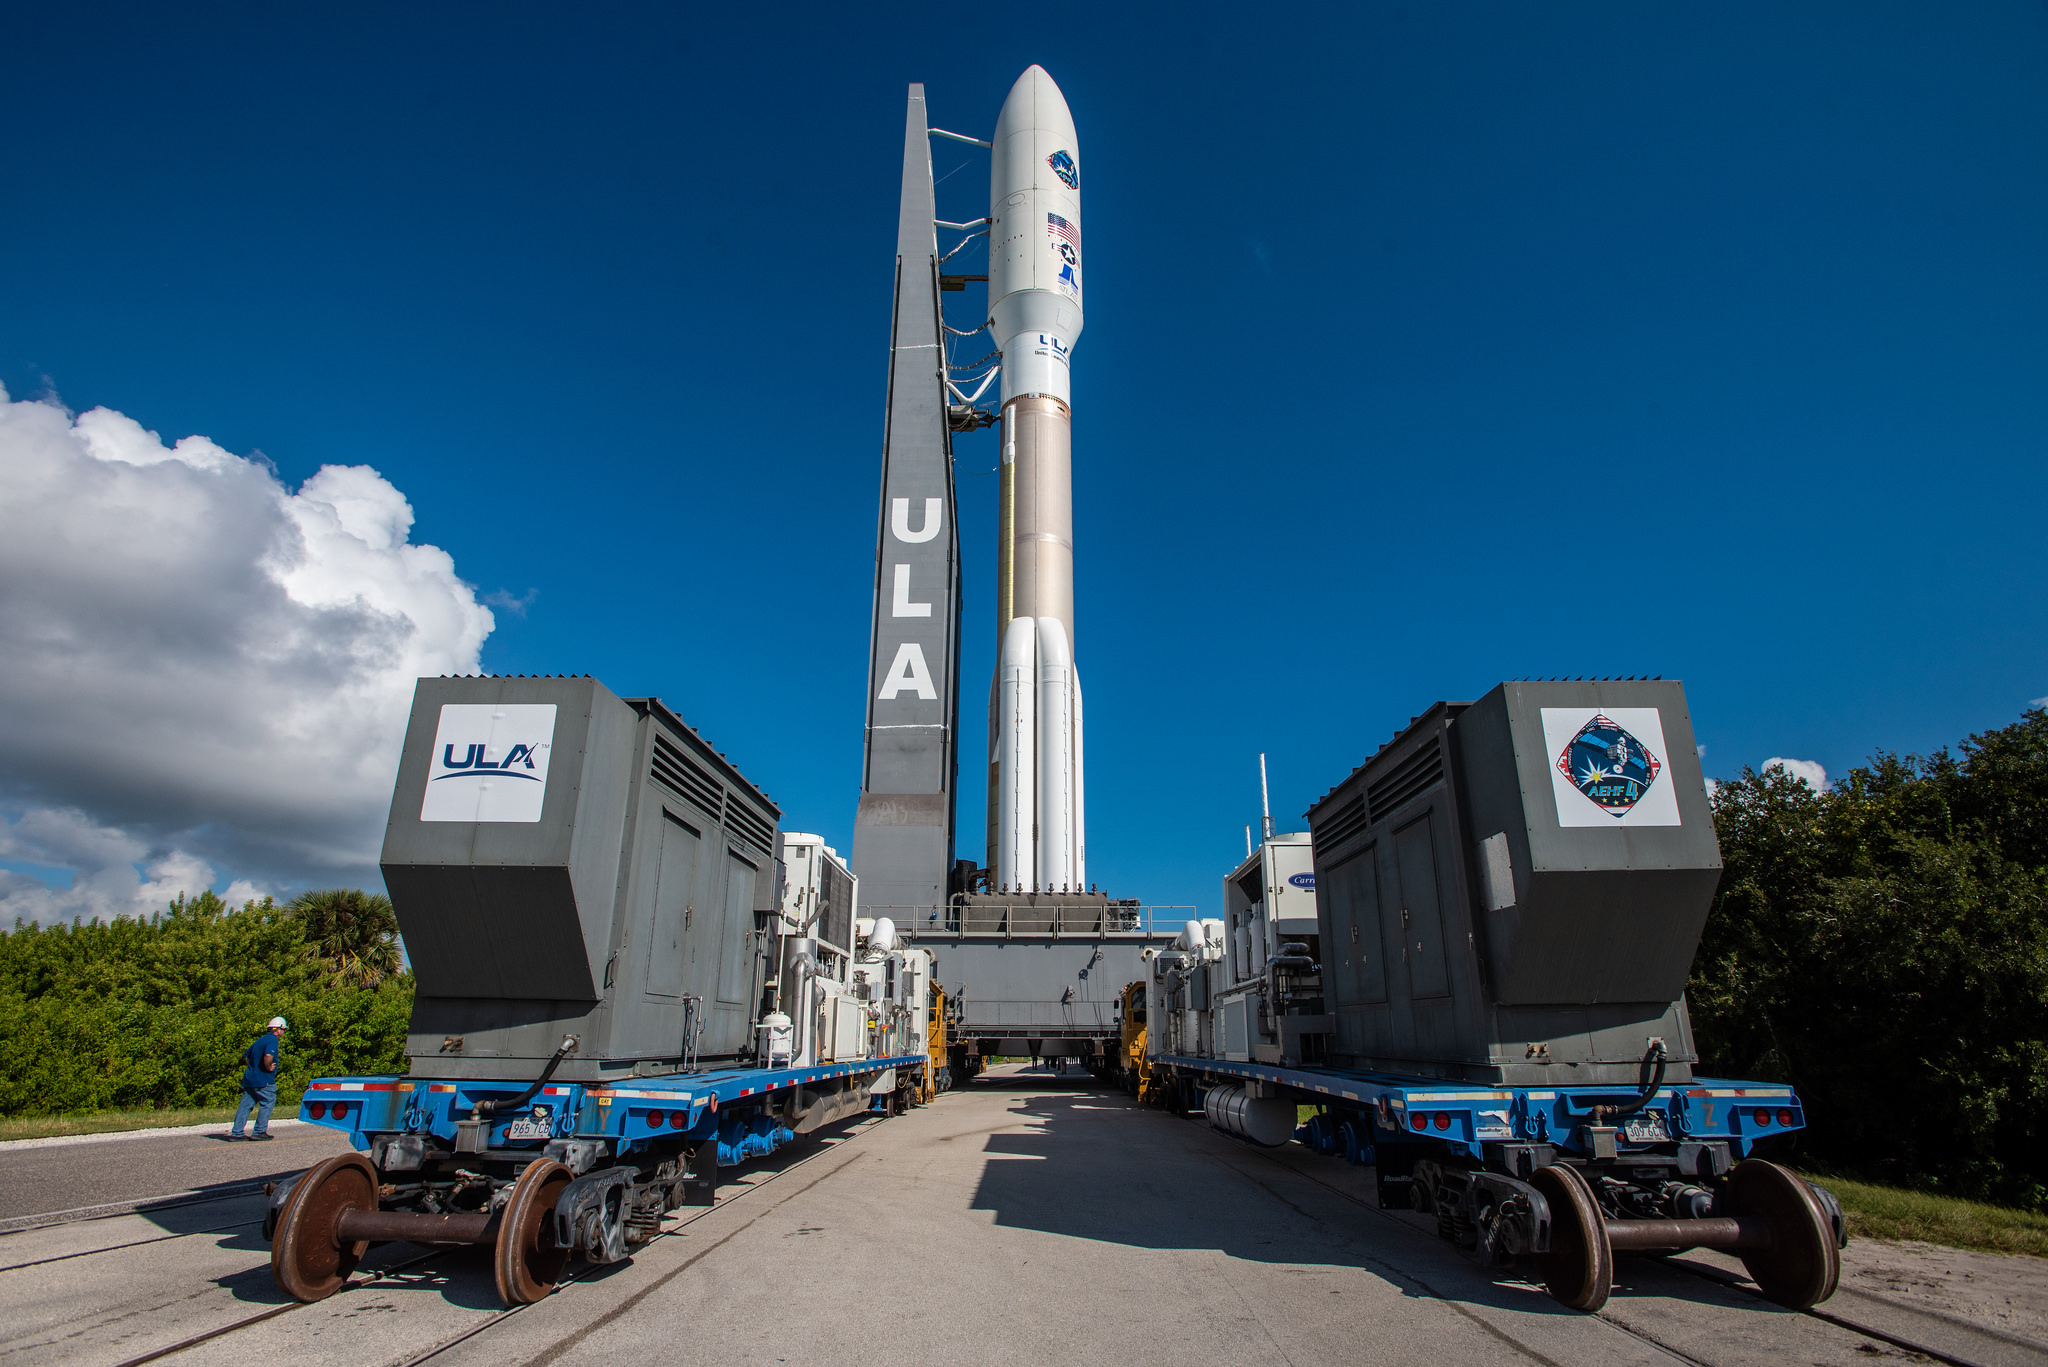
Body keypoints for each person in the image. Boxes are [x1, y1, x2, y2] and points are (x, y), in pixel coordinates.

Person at [230, 1016, 287, 1140]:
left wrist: (254, 1067)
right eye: (283, 1030)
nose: (283, 1033)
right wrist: (267, 1067)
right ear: (278, 1030)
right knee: (268, 1102)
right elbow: (268, 1055)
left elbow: (246, 1056)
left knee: (245, 1106)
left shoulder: (260, 1040)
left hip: (250, 1079)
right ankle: (259, 1131)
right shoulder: (272, 1040)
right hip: (264, 1080)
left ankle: (237, 1132)